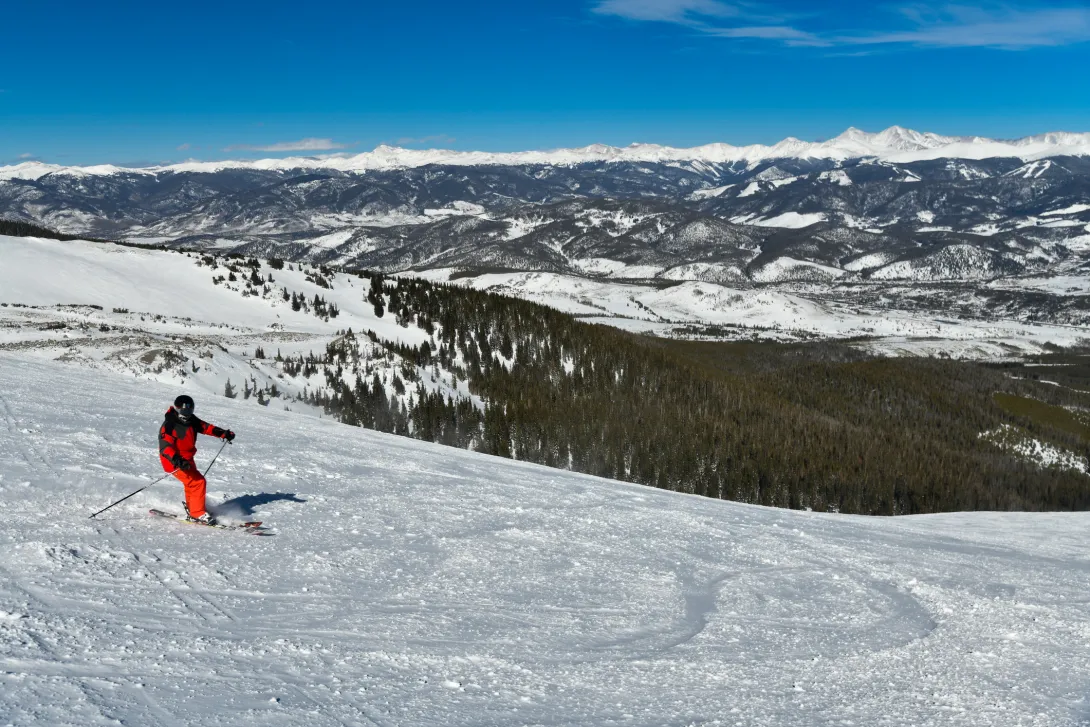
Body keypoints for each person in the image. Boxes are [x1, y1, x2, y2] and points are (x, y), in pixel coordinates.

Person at [158, 395, 235, 525]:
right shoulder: (170, 425)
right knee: (198, 482)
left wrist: (223, 433)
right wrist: (178, 461)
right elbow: (165, 448)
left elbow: (206, 427)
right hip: (174, 461)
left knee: (191, 484)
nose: (186, 414)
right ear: (177, 410)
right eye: (183, 411)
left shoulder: (191, 420)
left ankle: (193, 506)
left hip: (187, 459)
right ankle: (197, 513)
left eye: (189, 411)